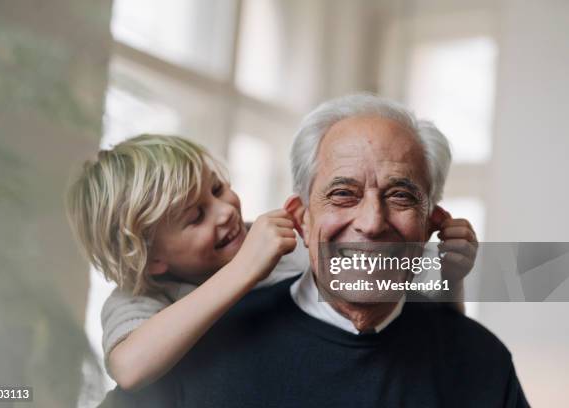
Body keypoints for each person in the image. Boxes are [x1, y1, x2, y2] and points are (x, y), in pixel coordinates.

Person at [100, 94, 526, 407]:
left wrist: (450, 284)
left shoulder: (482, 361)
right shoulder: (174, 341)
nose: (371, 223)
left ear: (431, 220)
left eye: (400, 196)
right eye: (343, 194)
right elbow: (131, 366)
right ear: (301, 218)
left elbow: (444, 340)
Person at [67, 133, 473, 393]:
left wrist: (450, 278)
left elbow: (428, 335)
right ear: (152, 257)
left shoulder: (285, 242)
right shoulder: (142, 298)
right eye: (195, 216)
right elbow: (130, 369)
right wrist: (245, 269)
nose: (225, 211)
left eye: (218, 189)